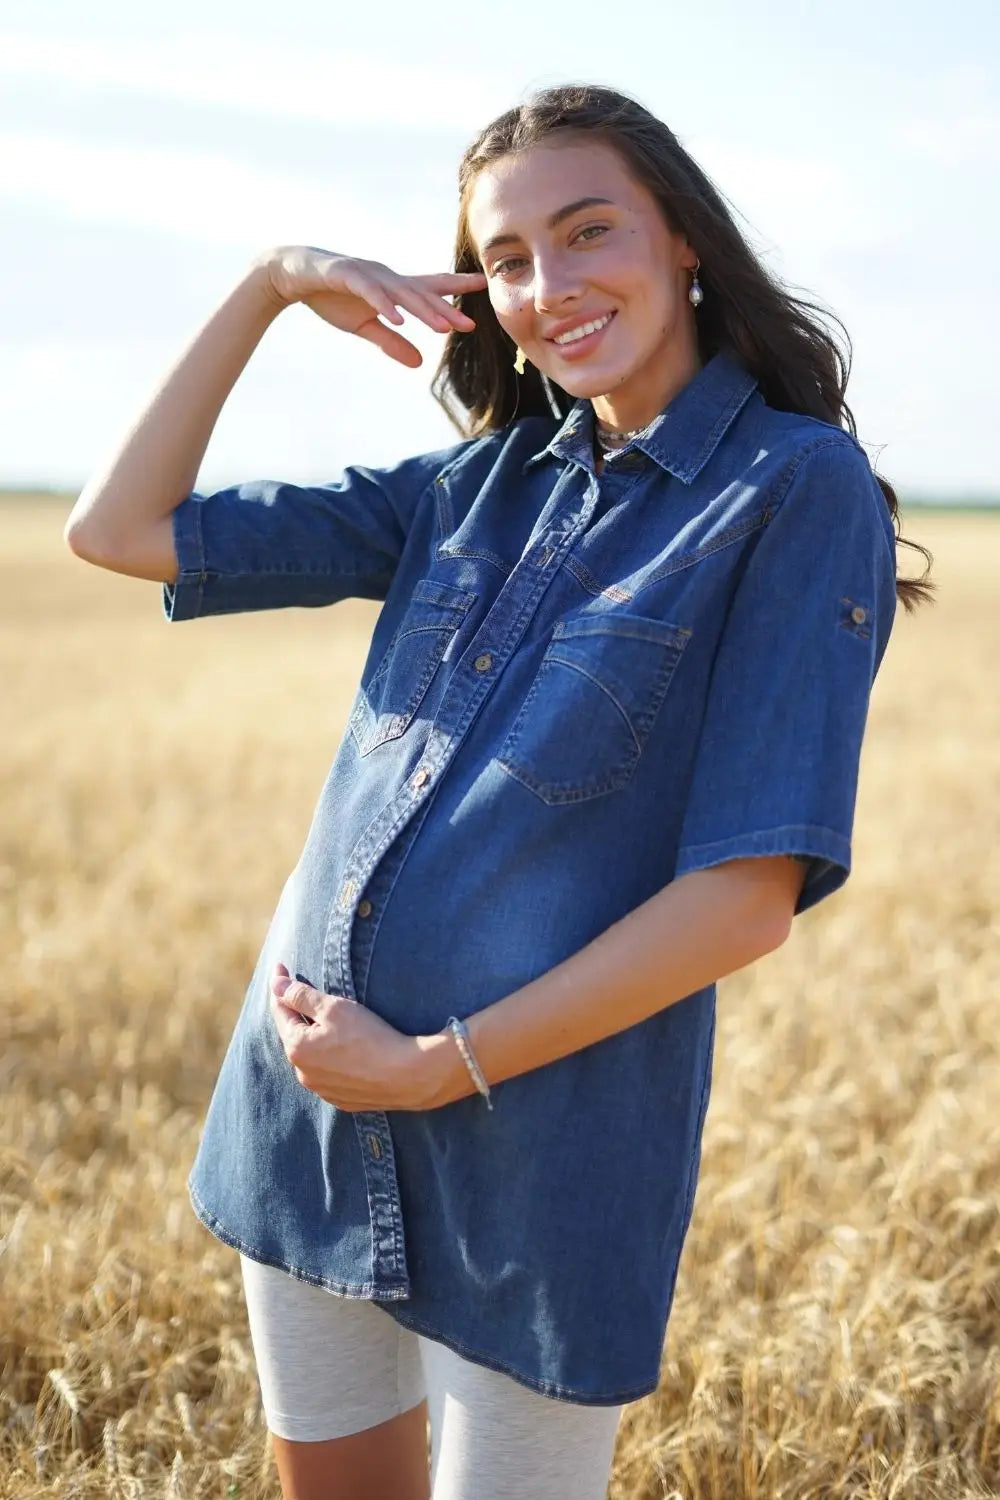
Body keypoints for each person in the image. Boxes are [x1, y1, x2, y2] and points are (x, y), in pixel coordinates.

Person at [66, 82, 933, 1500]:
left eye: (589, 233)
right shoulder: (474, 486)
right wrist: (275, 283)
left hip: (538, 1159)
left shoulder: (794, 488)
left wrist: (427, 1065)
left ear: (685, 244)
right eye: (511, 258)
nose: (550, 286)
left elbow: (742, 904)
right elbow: (117, 529)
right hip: (308, 1118)